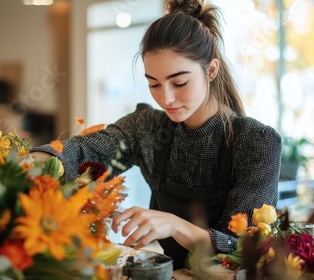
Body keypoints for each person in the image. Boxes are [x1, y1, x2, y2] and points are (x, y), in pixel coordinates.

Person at [31, 0, 281, 270]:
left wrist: (174, 225)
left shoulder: (256, 142)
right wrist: (34, 162)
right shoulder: (148, 128)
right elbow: (85, 152)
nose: (167, 98)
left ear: (211, 70)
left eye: (179, 82)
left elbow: (244, 247)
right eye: (154, 84)